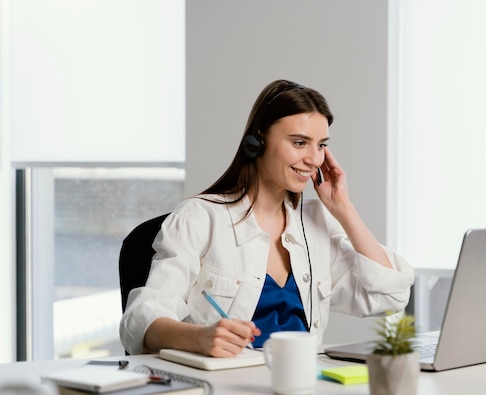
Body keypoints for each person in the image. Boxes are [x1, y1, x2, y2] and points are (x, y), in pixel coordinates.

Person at [119, 79, 415, 357]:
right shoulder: (200, 217)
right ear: (256, 142)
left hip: (300, 389)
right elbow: (141, 318)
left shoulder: (316, 223)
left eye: (321, 145)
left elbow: (390, 296)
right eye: (299, 143)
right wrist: (199, 337)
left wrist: (343, 208)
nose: (314, 159)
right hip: (227, 392)